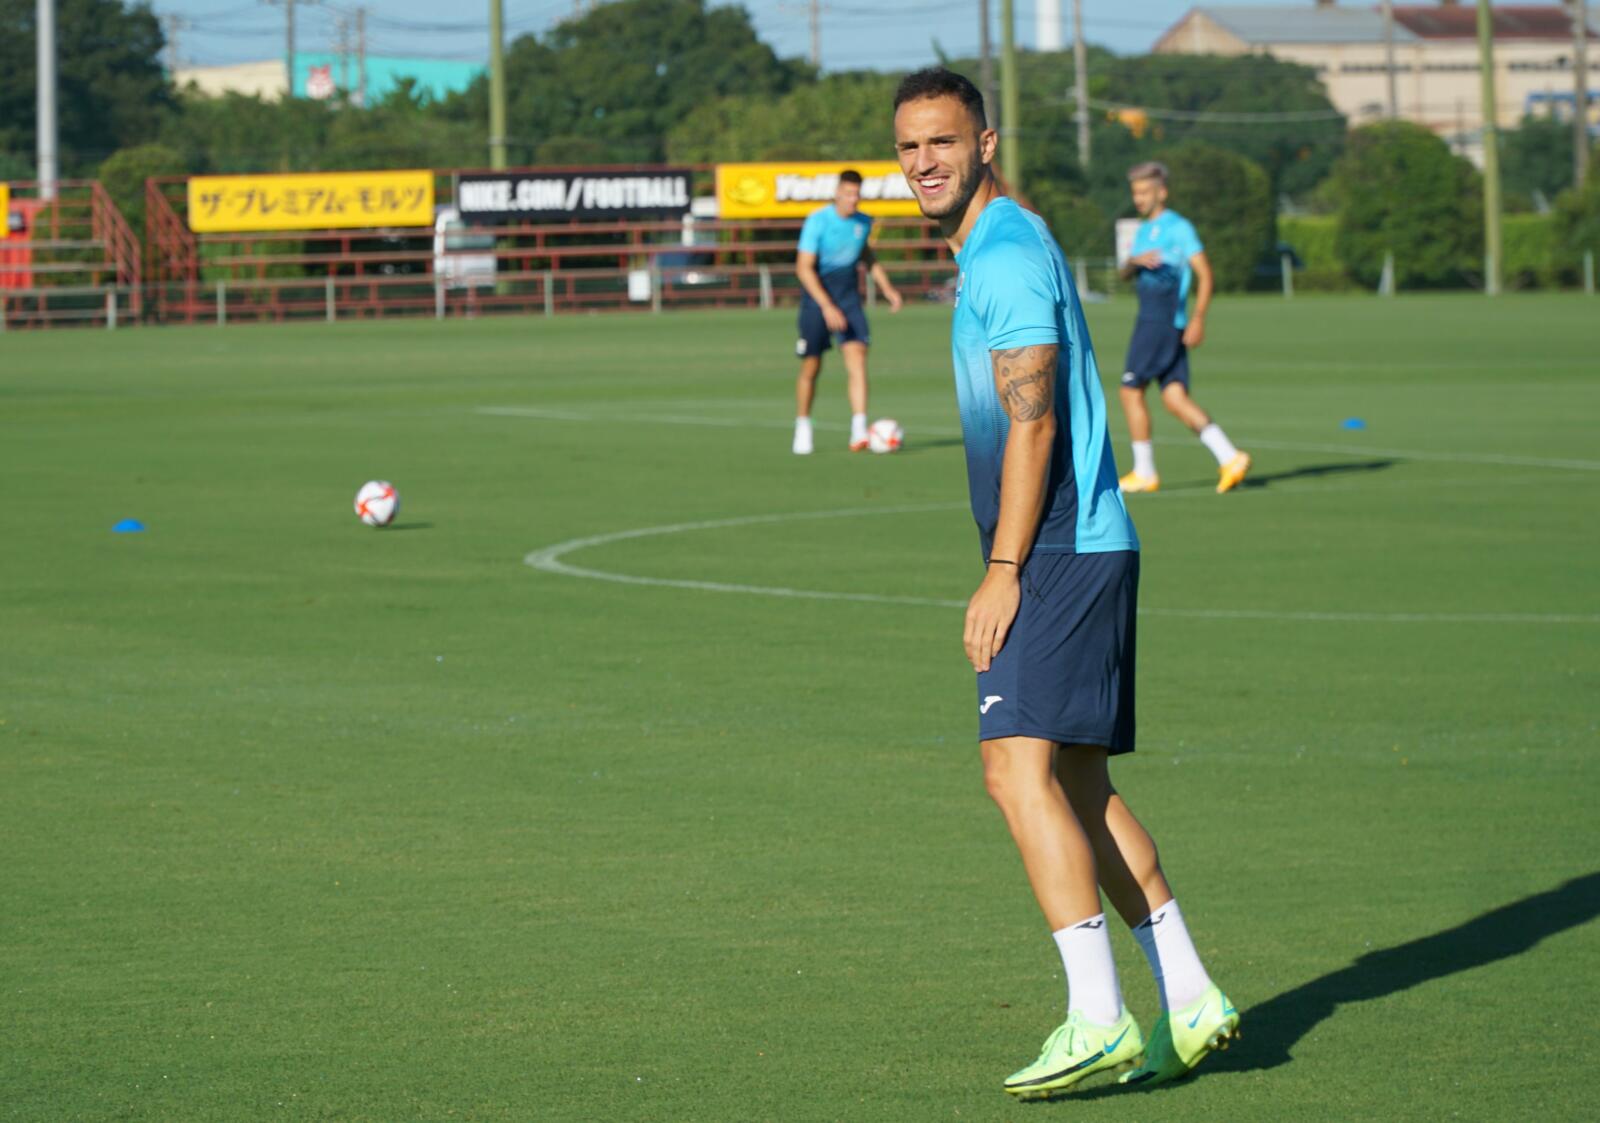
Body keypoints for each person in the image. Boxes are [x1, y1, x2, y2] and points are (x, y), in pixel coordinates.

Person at [892, 67, 1239, 1099]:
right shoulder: (1009, 240)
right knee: (1078, 784)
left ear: (984, 144)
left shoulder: (1001, 254)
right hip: (1081, 543)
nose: (923, 163)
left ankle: (1097, 1015)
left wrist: (1002, 570)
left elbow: (1032, 421)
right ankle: (1190, 995)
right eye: (909, 146)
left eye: (942, 142)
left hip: (1052, 551)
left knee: (1013, 771)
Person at [1115, 162, 1251, 495]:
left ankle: (1144, 471)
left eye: (1144, 192)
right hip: (1151, 320)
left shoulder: (1179, 228)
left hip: (1160, 323)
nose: (1138, 199)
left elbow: (1205, 273)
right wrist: (1134, 261)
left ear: (1162, 192)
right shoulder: (1143, 230)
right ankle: (1230, 457)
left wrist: (1199, 318)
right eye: (1135, 192)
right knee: (1175, 398)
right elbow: (1124, 274)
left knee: (1130, 391)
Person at [792, 170, 903, 455]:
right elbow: (803, 268)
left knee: (857, 358)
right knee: (811, 367)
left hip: (849, 299)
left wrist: (887, 288)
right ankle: (803, 425)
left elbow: (867, 257)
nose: (853, 199)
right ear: (837, 193)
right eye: (848, 193)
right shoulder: (817, 221)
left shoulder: (863, 222)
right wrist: (827, 306)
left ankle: (859, 429)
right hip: (817, 300)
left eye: (857, 194)